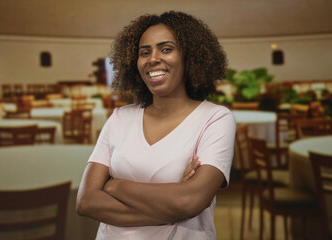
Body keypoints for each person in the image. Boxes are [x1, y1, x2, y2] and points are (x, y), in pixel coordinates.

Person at [76, 11, 236, 240]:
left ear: (189, 57)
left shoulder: (215, 118)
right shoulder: (120, 118)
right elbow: (86, 201)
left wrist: (115, 187)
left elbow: (189, 200)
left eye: (166, 49)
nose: (153, 58)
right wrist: (174, 208)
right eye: (144, 52)